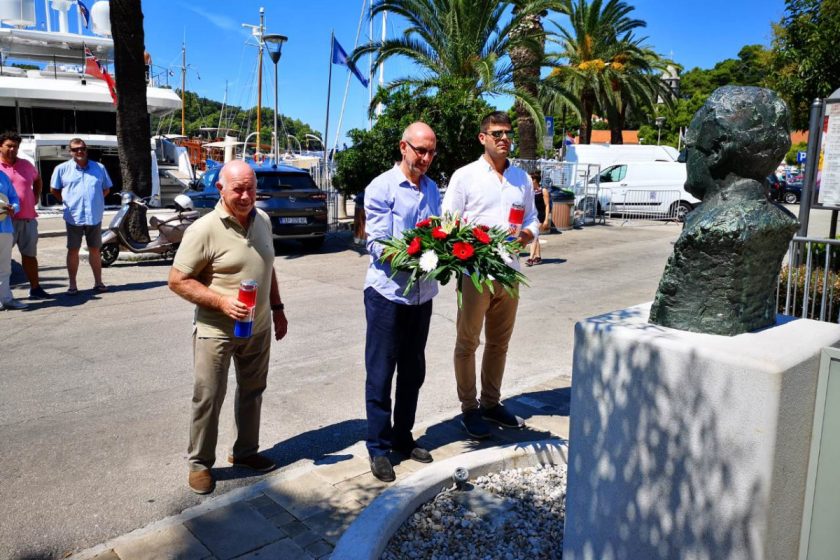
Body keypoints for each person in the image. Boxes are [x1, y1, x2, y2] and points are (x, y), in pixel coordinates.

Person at [168, 159, 288, 495]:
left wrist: (277, 308)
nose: (247, 195)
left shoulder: (262, 219)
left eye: (251, 187)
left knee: (253, 391)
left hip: (258, 327)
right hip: (216, 331)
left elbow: (269, 267)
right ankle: (199, 464)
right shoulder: (203, 229)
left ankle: (246, 452)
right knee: (208, 397)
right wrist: (222, 302)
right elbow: (177, 281)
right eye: (238, 188)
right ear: (220, 188)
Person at [442, 111, 540, 439]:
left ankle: (492, 403)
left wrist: (527, 236)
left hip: (510, 272)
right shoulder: (465, 176)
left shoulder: (521, 180)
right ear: (482, 137)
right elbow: (448, 223)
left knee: (499, 343)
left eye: (508, 133)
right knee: (468, 342)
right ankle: (469, 409)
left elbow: (533, 218)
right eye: (496, 133)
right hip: (475, 273)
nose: (504, 139)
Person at [363, 122, 441, 482]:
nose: (425, 158)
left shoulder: (432, 189)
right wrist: (414, 257)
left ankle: (402, 436)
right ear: (403, 147)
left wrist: (445, 255)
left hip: (421, 296)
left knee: (413, 371)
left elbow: (438, 233)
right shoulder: (381, 187)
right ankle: (378, 448)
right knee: (381, 373)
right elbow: (377, 243)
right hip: (388, 295)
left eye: (430, 152)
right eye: (419, 150)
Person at [50, 138, 112, 294]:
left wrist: (95, 202)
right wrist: (67, 202)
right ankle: (72, 285)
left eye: (82, 148)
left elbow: (106, 189)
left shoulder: (99, 167)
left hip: (94, 216)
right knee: (73, 250)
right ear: (70, 151)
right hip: (73, 217)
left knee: (95, 250)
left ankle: (98, 283)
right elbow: (54, 190)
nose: (79, 151)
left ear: (86, 149)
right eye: (75, 149)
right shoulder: (61, 169)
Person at [0, 131, 51, 299]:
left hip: (27, 218)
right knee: (2, 260)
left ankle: (35, 288)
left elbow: (37, 179)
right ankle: (3, 295)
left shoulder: (26, 165)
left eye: (15, 146)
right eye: (9, 146)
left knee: (30, 256)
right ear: (0, 146)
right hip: (4, 221)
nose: (12, 149)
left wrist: (35, 196)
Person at [0, 171, 27, 310]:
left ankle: (6, 299)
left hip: (4, 228)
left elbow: (14, 198)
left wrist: (13, 208)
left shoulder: (3, 176)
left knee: (5, 268)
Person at [526, 170, 550, 267]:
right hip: (533, 215)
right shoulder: (531, 190)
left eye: (531, 179)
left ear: (535, 180)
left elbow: (547, 205)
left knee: (534, 236)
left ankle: (531, 258)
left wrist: (546, 220)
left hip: (541, 215)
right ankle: (538, 257)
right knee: (536, 236)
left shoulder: (543, 190)